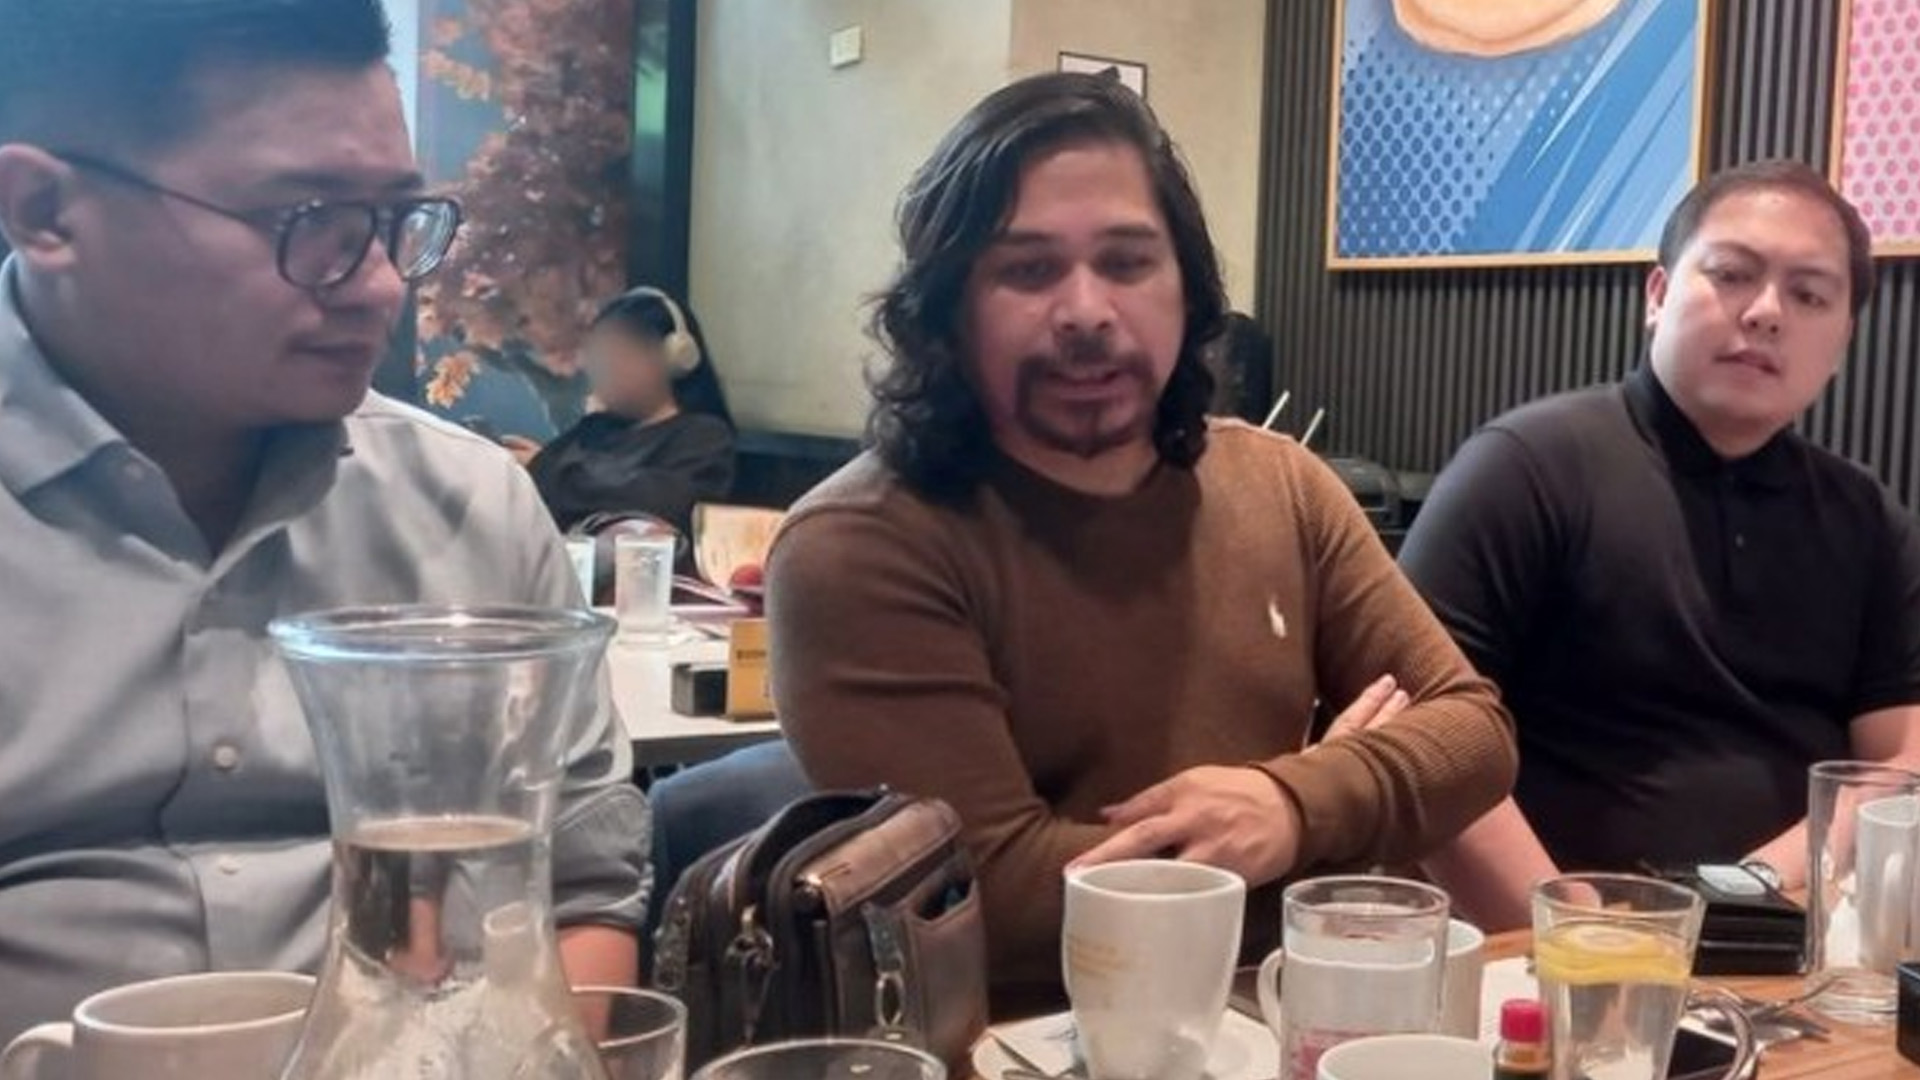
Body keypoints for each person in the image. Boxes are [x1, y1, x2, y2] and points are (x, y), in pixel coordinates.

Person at [765, 71, 1517, 1013]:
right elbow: (990, 896)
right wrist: (1342, 810)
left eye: (1127, 263)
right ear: (949, 309)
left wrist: (1294, 805)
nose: (1086, 311)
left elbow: (1475, 737)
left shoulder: (1280, 483)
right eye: (1028, 270)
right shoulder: (859, 545)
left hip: (1297, 1025)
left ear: (1187, 292)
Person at [0, 0, 648, 1040]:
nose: (379, 287)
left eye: (395, 222)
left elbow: (580, 887)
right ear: (46, 212)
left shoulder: (467, 504)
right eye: (307, 221)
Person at [1398, 161, 1920, 930]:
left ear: (1841, 342)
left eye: (1809, 295)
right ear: (1658, 295)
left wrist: (1754, 891)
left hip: (1795, 934)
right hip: (1550, 941)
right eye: (1732, 275)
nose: (1766, 313)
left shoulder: (1865, 516)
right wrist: (1583, 938)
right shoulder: (1525, 467)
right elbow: (1417, 735)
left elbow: (1899, 755)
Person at [506, 285, 736, 538]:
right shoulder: (595, 427)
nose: (604, 372)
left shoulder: (703, 436)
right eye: (598, 359)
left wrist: (543, 467)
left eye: (620, 357)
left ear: (675, 358)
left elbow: (659, 502)